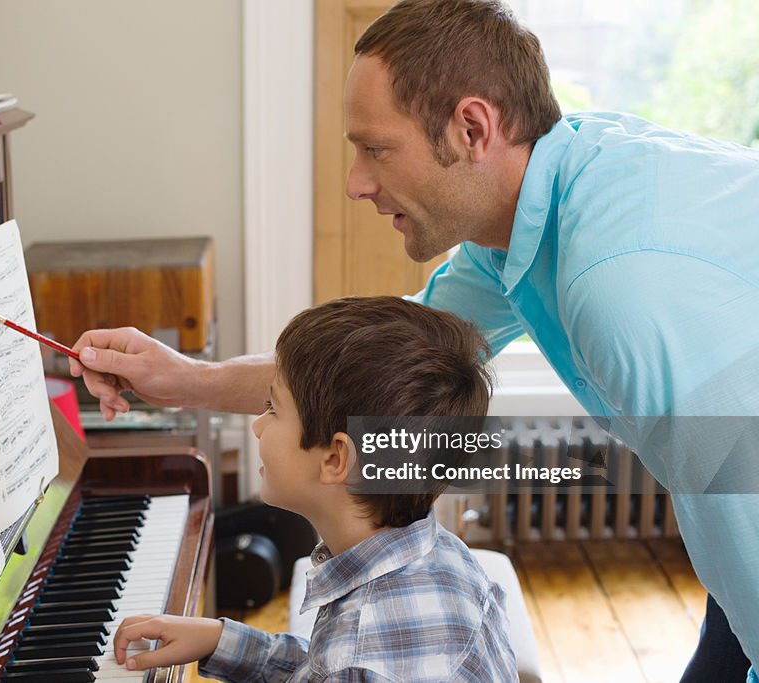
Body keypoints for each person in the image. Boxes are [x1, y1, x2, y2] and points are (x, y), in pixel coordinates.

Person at [70, 1, 759, 680]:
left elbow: (740, 486)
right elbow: (355, 370)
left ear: (470, 128)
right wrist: (183, 378)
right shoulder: (524, 215)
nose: (356, 183)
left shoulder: (622, 287)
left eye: (375, 148)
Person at [109, 296, 517, 681]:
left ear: (336, 459)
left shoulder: (354, 657)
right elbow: (321, 668)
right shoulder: (445, 557)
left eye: (273, 408)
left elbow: (342, 666)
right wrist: (220, 639)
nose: (257, 425)